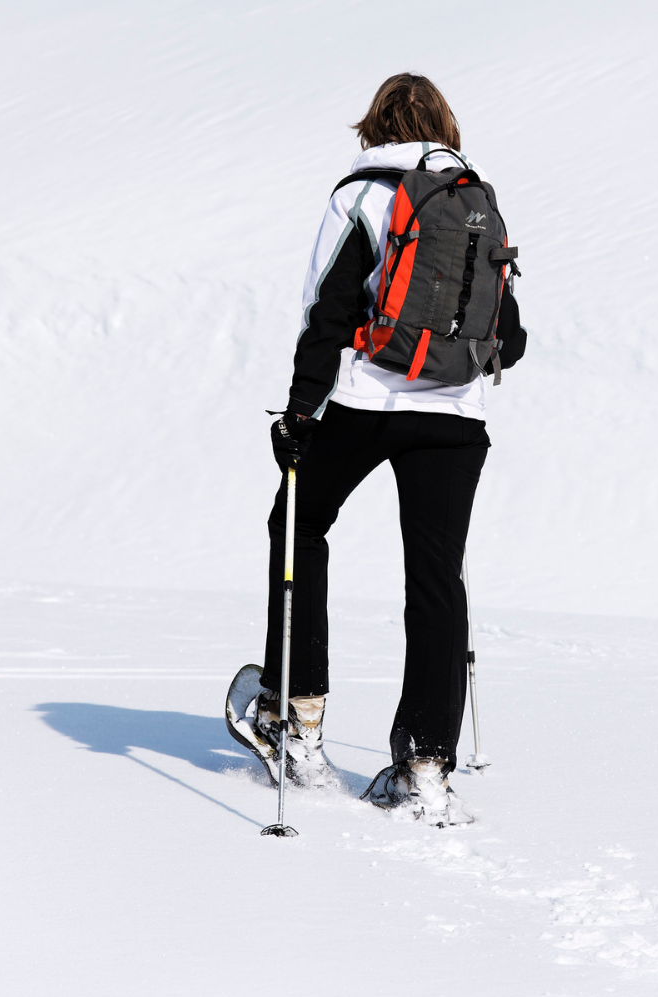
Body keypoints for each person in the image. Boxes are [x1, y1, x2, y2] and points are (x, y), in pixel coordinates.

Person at [246, 73, 525, 826]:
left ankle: (296, 720)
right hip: (457, 417)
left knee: (299, 523)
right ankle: (426, 765)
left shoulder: (361, 193)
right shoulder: (476, 198)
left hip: (371, 401)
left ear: (375, 124)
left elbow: (327, 309)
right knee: (435, 578)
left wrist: (301, 411)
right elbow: (515, 335)